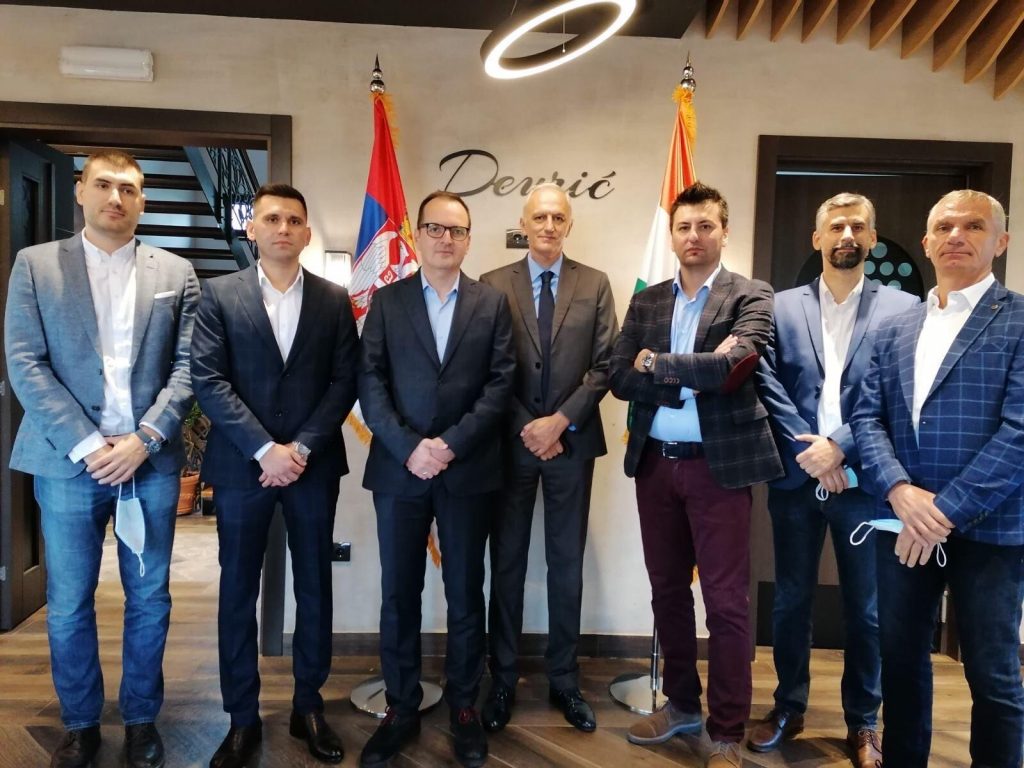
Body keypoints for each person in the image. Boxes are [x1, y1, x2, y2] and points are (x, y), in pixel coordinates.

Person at [3, 150, 199, 768]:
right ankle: (81, 723)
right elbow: (25, 362)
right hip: (69, 463)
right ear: (81, 191)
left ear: (143, 201)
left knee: (151, 599)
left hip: (150, 462)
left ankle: (141, 719)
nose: (117, 197)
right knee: (68, 602)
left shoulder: (176, 271)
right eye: (106, 185)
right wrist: (89, 445)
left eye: (130, 189)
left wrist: (147, 438)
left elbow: (189, 366)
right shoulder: (36, 265)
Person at [609, 181, 782, 768]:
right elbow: (619, 376)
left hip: (720, 470)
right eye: (684, 226)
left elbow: (736, 367)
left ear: (723, 232)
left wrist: (656, 363)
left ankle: (726, 730)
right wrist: (696, 373)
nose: (693, 236)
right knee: (667, 592)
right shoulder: (649, 302)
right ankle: (682, 703)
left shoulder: (751, 295)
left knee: (727, 603)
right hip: (656, 466)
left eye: (705, 226)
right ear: (672, 234)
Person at [851, 189, 1024, 768]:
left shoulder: (1020, 320)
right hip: (901, 524)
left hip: (992, 529)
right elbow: (867, 418)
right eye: (945, 226)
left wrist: (940, 512)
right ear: (925, 242)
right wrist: (899, 491)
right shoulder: (895, 327)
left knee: (993, 675)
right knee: (900, 662)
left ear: (1000, 241)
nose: (956, 236)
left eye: (973, 226)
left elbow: (1019, 433)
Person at [190, 184, 359, 768]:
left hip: (313, 467)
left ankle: (308, 705)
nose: (283, 228)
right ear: (252, 228)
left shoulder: (335, 300)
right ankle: (241, 717)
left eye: (293, 220)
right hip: (243, 467)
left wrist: (301, 448)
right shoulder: (218, 295)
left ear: (307, 233)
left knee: (314, 586)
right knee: (237, 591)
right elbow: (209, 379)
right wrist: (265, 449)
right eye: (271, 219)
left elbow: (345, 381)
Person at [751, 193, 918, 767]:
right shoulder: (780, 306)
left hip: (865, 480)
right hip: (796, 476)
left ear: (872, 238)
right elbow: (766, 380)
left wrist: (839, 447)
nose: (847, 234)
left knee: (866, 609)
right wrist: (811, 449)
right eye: (836, 226)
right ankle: (787, 706)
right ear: (816, 238)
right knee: (790, 600)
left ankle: (864, 721)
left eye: (857, 226)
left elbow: (898, 392)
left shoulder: (903, 308)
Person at [358, 191, 514, 768]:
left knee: (465, 592)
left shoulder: (491, 303)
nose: (446, 239)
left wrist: (449, 445)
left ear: (469, 239)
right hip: (400, 470)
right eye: (435, 228)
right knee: (399, 593)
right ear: (417, 234)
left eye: (457, 230)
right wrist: (410, 447)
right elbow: (369, 381)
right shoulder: (387, 300)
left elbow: (500, 383)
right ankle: (400, 707)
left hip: (467, 469)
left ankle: (464, 708)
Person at [479, 183, 618, 734]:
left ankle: (565, 680)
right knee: (506, 563)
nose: (549, 226)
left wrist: (560, 422)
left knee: (566, 565)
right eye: (539, 217)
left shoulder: (595, 283)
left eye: (558, 217)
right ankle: (502, 679)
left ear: (569, 224)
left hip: (572, 443)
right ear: (524, 222)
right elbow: (488, 367)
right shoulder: (493, 284)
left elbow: (606, 365)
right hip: (509, 446)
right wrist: (528, 426)